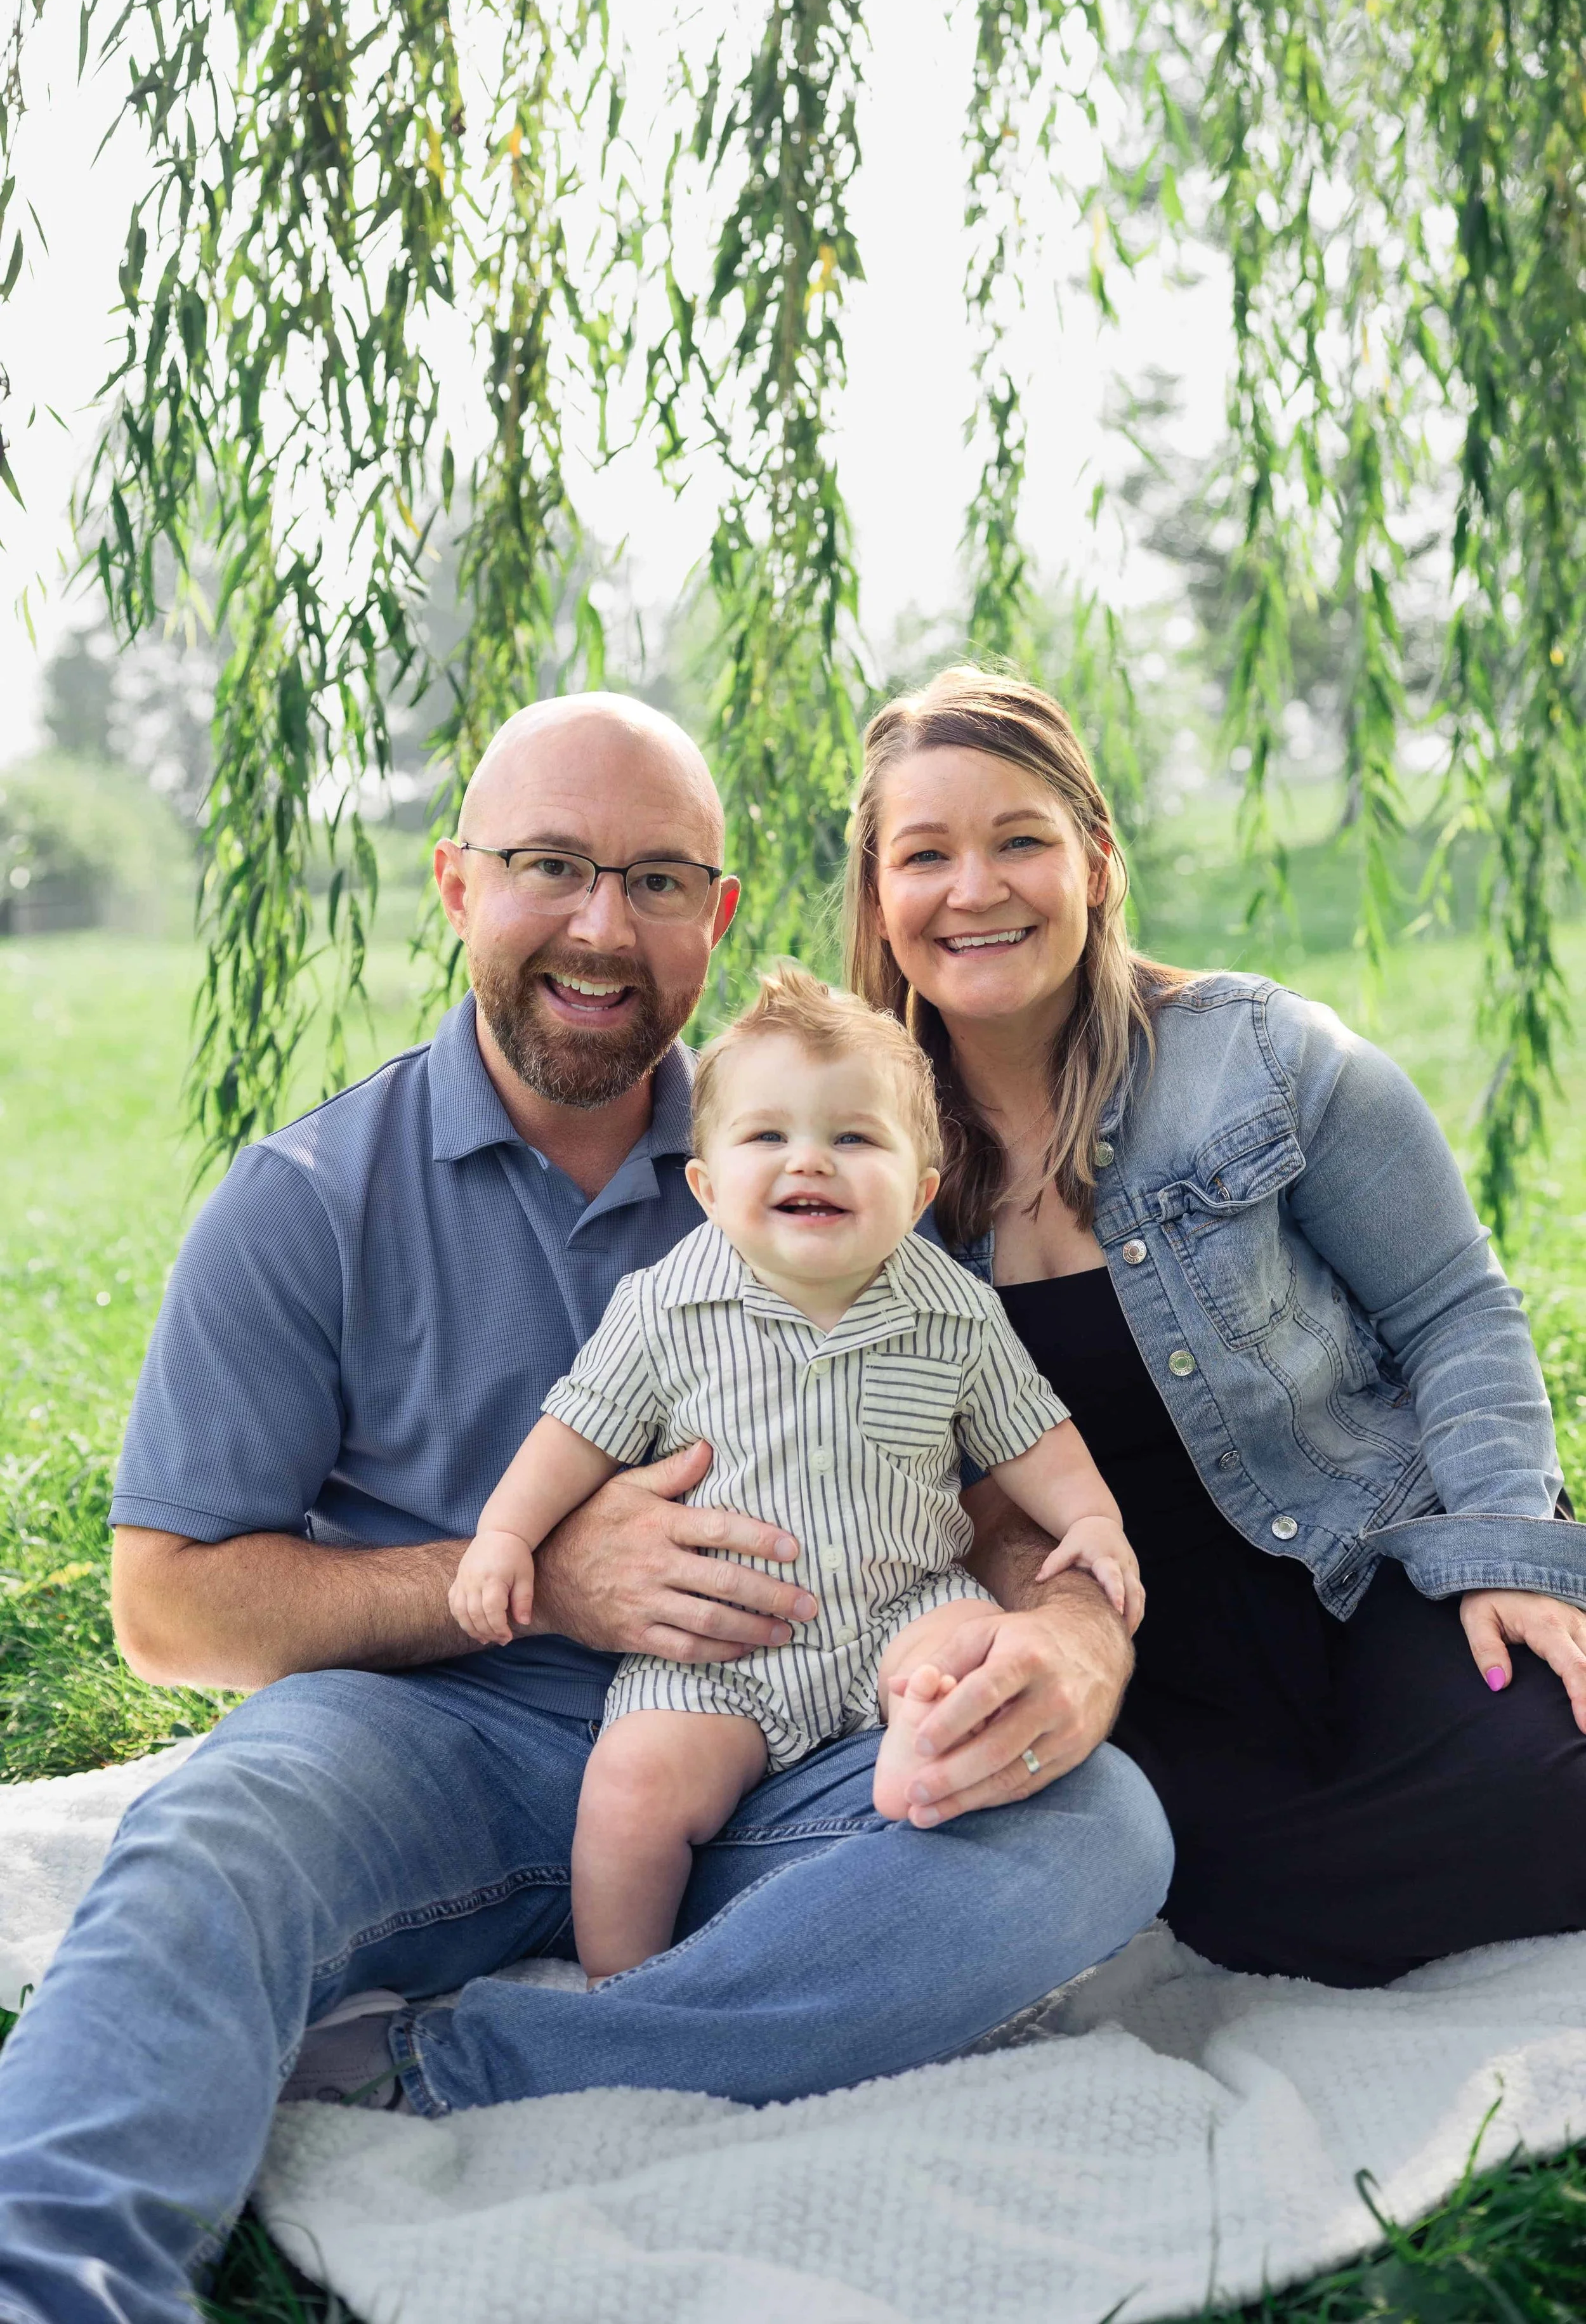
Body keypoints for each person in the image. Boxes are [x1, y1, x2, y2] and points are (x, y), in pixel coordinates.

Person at [0, 695, 1172, 2324]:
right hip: (424, 1743)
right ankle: (55, 2282)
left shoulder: (827, 1144)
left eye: (658, 880)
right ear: (458, 885)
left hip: (785, 1741)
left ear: (718, 912)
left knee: (1089, 1827)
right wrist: (546, 1581)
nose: (603, 929)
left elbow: (984, 1488)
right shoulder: (305, 1205)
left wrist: (1063, 1644)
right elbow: (170, 1610)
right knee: (213, 1838)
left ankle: (479, 2065)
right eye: (549, 867)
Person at [844, 663, 1586, 1989]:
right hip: (1132, 1650)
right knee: (1169, 1866)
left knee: (1553, 1785)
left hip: (1363, 1559)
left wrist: (1502, 1551)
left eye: (1018, 839)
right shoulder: (850, 1161)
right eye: (925, 856)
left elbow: (1453, 1308)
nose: (974, 890)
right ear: (878, 895)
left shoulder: (1260, 1056)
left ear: (1092, 858)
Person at [453, 965, 1144, 1980]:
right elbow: (575, 1431)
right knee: (631, 1789)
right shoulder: (664, 1307)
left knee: (980, 1661)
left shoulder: (953, 1310)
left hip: (903, 1609)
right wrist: (506, 1536)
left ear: (918, 1191)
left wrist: (1096, 1521)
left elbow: (1031, 1434)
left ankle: (919, 1753)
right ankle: (628, 1987)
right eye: (767, 1136)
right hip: (723, 1650)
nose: (808, 1160)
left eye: (853, 1137)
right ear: (707, 1185)